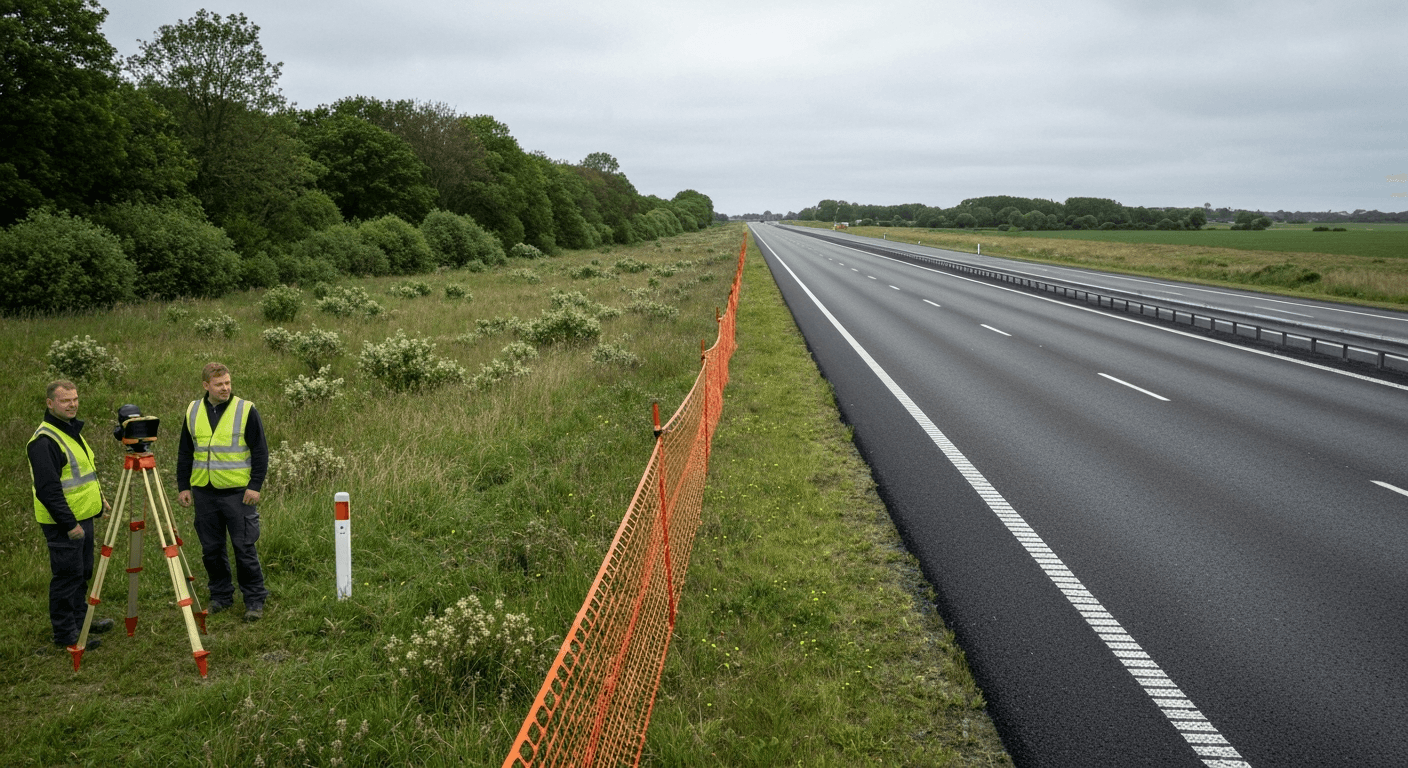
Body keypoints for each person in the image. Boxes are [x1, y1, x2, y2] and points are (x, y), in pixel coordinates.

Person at [176, 362, 269, 622]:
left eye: (227, 383)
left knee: (244, 548)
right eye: (219, 384)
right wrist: (183, 486)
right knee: (211, 550)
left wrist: (255, 486)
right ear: (206, 386)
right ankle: (221, 596)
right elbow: (185, 451)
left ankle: (254, 600)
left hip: (238, 494)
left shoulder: (246, 410)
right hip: (204, 493)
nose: (225, 388)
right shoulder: (193, 410)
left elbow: (260, 451)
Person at [28, 380, 113, 650]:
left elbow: (81, 472)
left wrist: (99, 498)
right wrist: (69, 524)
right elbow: (48, 490)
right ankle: (66, 634)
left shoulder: (69, 430)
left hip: (82, 517)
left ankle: (81, 621)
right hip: (64, 524)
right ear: (50, 403)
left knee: (82, 572)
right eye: (65, 400)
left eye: (75, 399)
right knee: (67, 577)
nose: (72, 404)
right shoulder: (44, 441)